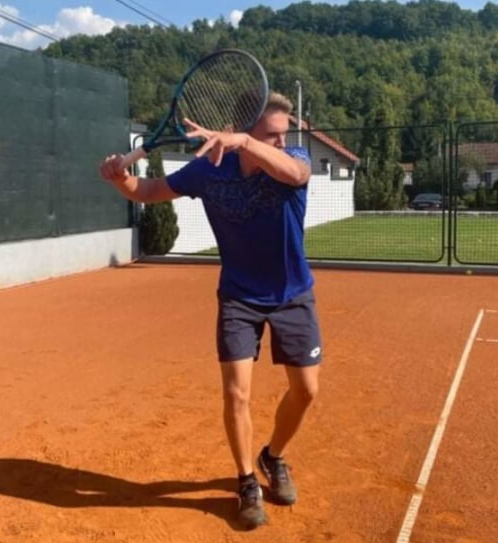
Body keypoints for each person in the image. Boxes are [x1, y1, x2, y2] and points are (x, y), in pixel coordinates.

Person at [99, 92, 322, 530]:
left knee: (307, 391)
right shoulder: (209, 169)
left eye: (284, 134)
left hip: (292, 293)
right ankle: (246, 481)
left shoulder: (292, 158)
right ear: (242, 128)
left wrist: (248, 143)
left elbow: (296, 173)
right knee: (236, 393)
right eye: (272, 135)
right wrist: (119, 179)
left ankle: (273, 456)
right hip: (238, 296)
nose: (282, 142)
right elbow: (150, 190)